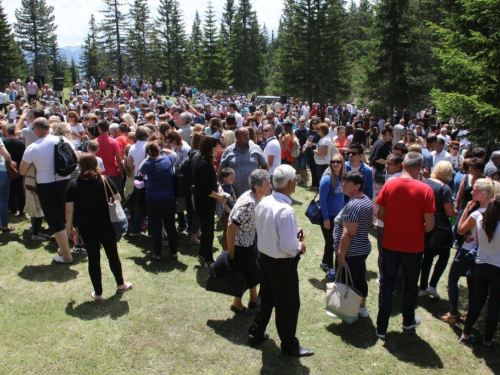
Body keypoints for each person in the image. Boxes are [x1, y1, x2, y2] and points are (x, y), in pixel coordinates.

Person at [247, 165, 312, 357]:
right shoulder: (286, 210)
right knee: (288, 305)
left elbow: (269, 230)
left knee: (266, 297)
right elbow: (288, 246)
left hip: (265, 259)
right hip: (282, 265)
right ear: (291, 183)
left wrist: (293, 234)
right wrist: (300, 246)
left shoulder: (265, 202)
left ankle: (256, 333)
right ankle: (289, 345)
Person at [375, 152, 436, 339]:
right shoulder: (426, 190)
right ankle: (407, 320)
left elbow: (380, 214)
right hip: (413, 246)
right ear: (419, 168)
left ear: (403, 166)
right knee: (410, 284)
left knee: (387, 284)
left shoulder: (390, 184)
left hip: (390, 243)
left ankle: (381, 328)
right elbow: (430, 225)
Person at [65, 153, 132, 300]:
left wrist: (69, 228)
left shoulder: (73, 184)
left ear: (80, 166)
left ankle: (98, 293)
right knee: (112, 255)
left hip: (86, 227)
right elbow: (118, 198)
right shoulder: (104, 180)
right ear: (96, 164)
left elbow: (69, 209)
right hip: (107, 225)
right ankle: (121, 284)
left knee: (93, 259)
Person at [20, 118, 77, 263]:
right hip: (65, 182)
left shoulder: (32, 148)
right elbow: (75, 157)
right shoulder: (62, 139)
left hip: (46, 186)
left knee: (56, 221)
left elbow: (22, 170)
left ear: (38, 128)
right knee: (67, 216)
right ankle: (65, 248)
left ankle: (66, 255)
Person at [441, 178, 496, 324]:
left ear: (484, 194)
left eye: (475, 190)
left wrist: (466, 210)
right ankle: (470, 316)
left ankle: (453, 314)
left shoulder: (476, 214)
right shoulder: (494, 213)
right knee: (473, 288)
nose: (472, 192)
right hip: (482, 256)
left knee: (452, 280)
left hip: (467, 252)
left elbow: (459, 229)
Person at [227, 169, 272, 314]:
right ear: (257, 188)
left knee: (253, 272)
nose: (270, 186)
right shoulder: (249, 204)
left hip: (249, 242)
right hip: (240, 246)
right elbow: (231, 226)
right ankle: (236, 304)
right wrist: (231, 251)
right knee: (242, 276)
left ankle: (253, 300)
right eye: (267, 184)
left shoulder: (254, 196)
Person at [459, 194, 500, 349]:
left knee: (478, 301)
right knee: (494, 306)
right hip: (497, 270)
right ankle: (487, 341)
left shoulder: (481, 222)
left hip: (480, 267)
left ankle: (465, 334)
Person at [334, 171, 374, 317]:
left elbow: (348, 233)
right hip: (361, 249)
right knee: (359, 279)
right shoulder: (365, 200)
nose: (343, 184)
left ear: (357, 186)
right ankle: (361, 308)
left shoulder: (354, 205)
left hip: (351, 252)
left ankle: (347, 311)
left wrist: (341, 254)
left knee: (347, 283)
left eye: (347, 183)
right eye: (343, 181)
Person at [418, 161, 456, 299]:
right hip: (440, 226)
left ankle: (422, 287)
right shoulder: (444, 188)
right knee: (444, 256)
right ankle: (432, 285)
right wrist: (455, 211)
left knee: (427, 256)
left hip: (425, 222)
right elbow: (449, 212)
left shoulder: (425, 182)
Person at [139, 139, 178, 260]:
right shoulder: (167, 159)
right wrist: (162, 149)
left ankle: (157, 254)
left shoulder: (147, 164)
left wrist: (147, 158)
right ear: (158, 150)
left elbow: (140, 170)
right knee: (170, 225)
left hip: (152, 199)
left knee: (155, 227)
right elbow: (174, 154)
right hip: (168, 198)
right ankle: (174, 252)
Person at [194, 136, 227, 268]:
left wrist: (218, 188)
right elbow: (205, 189)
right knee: (208, 232)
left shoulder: (206, 160)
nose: (219, 148)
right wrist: (219, 197)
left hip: (207, 201)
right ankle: (208, 260)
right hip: (204, 202)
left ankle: (202, 254)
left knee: (207, 229)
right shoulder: (203, 163)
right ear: (211, 147)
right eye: (217, 145)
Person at [219, 127, 267, 197]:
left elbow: (265, 166)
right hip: (234, 194)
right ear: (237, 137)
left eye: (248, 135)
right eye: (244, 135)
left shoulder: (256, 149)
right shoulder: (228, 151)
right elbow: (221, 170)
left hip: (254, 193)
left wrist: (263, 183)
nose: (247, 137)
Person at [318, 154, 345, 279]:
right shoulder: (327, 179)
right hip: (329, 215)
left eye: (338, 161)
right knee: (331, 242)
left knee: (333, 241)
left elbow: (341, 197)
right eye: (333, 161)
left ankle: (324, 262)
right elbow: (322, 200)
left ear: (342, 163)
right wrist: (325, 218)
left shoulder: (342, 177)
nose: (335, 164)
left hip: (339, 215)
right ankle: (330, 267)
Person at [0, 137, 15, 231]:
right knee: (3, 199)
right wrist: (10, 160)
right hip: (1, 170)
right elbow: (6, 155)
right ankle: (4, 225)